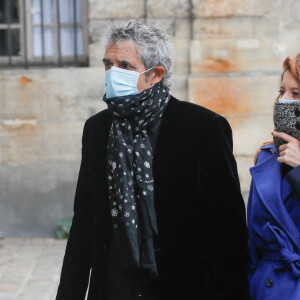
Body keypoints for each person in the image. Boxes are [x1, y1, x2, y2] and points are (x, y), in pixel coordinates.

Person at [56, 20, 249, 300]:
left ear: (155, 74)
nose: (112, 73)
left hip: (183, 285)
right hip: (114, 284)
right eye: (108, 64)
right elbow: (84, 222)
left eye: (125, 65)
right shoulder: (98, 128)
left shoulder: (202, 127)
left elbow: (228, 230)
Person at [248, 54, 300, 300]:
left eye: (296, 94)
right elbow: (251, 240)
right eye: (282, 92)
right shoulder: (267, 155)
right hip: (265, 287)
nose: (284, 101)